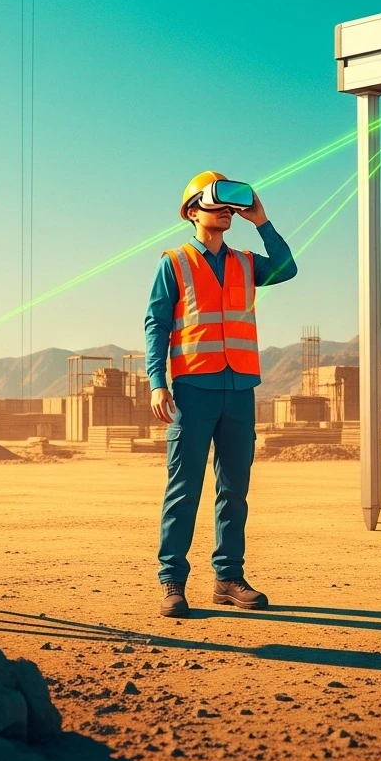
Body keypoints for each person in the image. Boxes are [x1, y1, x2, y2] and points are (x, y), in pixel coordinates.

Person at [145, 170, 297, 618]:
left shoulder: (248, 263)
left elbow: (288, 267)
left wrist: (262, 221)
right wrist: (157, 382)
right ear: (193, 212)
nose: (227, 211)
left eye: (232, 205)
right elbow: (156, 325)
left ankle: (228, 578)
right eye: (218, 203)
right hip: (193, 388)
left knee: (235, 489)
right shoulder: (172, 263)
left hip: (240, 388)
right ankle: (172, 582)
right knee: (184, 488)